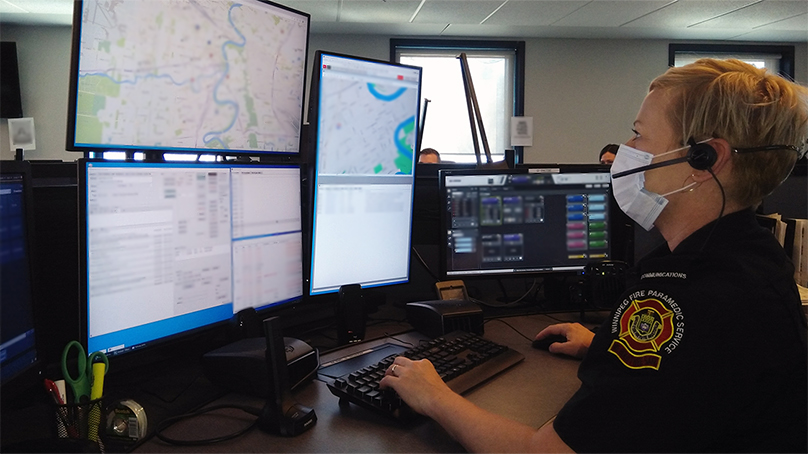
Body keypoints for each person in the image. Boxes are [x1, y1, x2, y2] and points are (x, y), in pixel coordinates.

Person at [380, 58, 808, 452]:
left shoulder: (686, 300)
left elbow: (544, 453)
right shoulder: (753, 256)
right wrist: (607, 346)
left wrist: (434, 396)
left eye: (640, 133)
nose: (627, 147)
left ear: (705, 158)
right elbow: (699, 372)